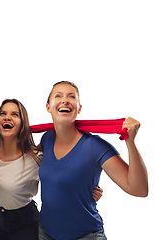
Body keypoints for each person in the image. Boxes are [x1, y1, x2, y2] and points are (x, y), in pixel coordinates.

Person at [0, 37, 103, 240]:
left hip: (26, 222)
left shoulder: (36, 156)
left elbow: (65, 173)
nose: (7, 117)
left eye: (15, 114)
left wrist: (90, 190)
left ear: (22, 124)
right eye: (3, 113)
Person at [38, 81, 148, 240]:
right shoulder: (46, 138)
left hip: (86, 236)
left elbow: (139, 189)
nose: (65, 100)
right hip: (45, 233)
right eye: (58, 96)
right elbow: (27, 159)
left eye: (72, 97)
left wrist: (130, 143)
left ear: (79, 108)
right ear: (48, 107)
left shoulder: (94, 146)